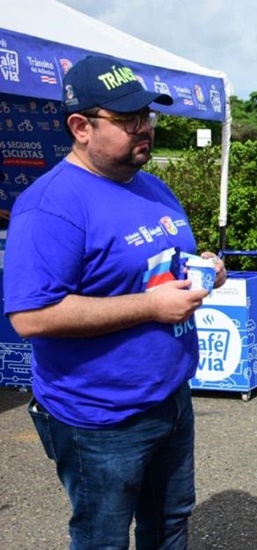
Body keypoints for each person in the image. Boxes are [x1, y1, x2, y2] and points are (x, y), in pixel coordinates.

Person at [2, 54, 226, 549]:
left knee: (169, 522)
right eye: (128, 120)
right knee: (102, 539)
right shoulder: (50, 206)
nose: (144, 128)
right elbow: (31, 317)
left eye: (147, 116)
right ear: (80, 126)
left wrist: (203, 269)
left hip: (170, 398)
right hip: (100, 418)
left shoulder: (152, 185)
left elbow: (162, 266)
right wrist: (149, 308)